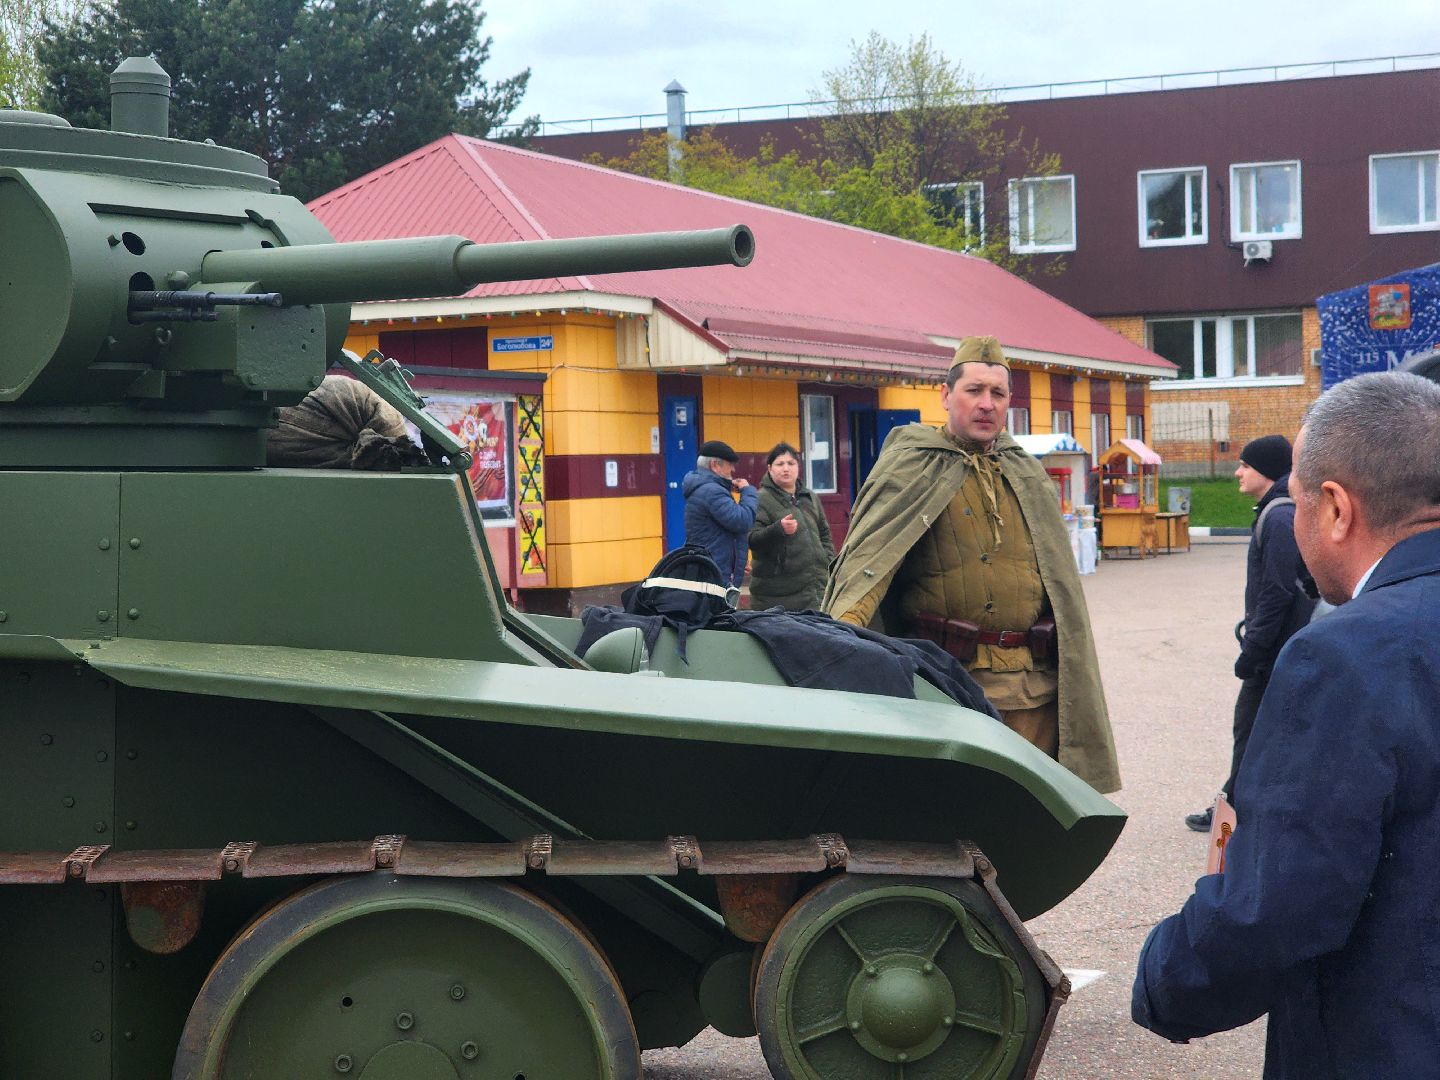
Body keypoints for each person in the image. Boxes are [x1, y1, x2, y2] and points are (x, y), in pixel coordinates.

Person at [1133, 371, 1440, 1077]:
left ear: (1334, 507)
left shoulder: (1346, 655)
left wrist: (1164, 978)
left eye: (1298, 501)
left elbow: (1279, 909)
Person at [822, 336, 1120, 794]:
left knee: (1030, 821)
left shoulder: (1025, 473)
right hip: (946, 689)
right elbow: (868, 567)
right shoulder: (910, 465)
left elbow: (1062, 590)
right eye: (974, 391)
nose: (986, 405)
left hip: (1033, 692)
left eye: (997, 394)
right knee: (954, 820)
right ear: (945, 396)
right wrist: (839, 644)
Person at [1184, 435, 1314, 831]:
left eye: (1245, 465)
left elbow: (1277, 592)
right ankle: (1241, 804)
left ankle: (1233, 812)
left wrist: (1252, 652)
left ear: (1266, 470)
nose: (1238, 472)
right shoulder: (1278, 510)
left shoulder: (1277, 516)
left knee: (1250, 728)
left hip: (1273, 651)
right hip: (1280, 646)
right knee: (1266, 729)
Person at [747, 442, 836, 611]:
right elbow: (752, 539)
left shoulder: (809, 497)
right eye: (780, 464)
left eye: (791, 463)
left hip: (816, 589)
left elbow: (824, 533)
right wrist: (778, 529)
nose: (786, 469)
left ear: (798, 467)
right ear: (769, 468)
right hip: (777, 596)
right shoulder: (761, 499)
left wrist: (827, 560)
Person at [681, 439, 759, 589]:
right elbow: (742, 520)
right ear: (715, 465)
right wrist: (748, 491)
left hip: (711, 568)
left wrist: (737, 562)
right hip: (713, 573)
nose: (733, 470)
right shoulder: (712, 491)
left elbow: (721, 533)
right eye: (730, 465)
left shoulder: (706, 487)